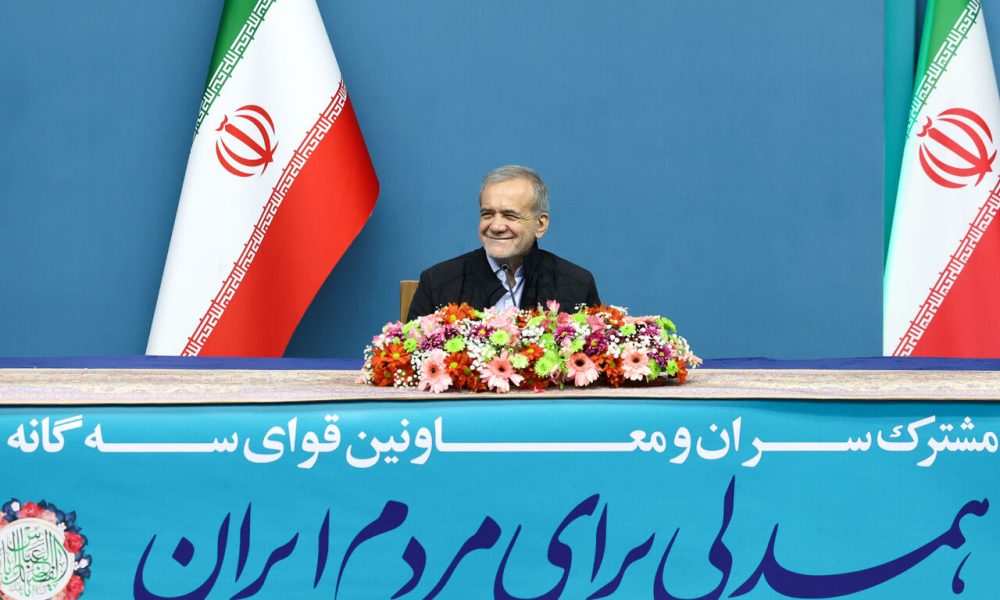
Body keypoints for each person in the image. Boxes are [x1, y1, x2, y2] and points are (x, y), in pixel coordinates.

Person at [406, 165, 600, 321]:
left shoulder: (577, 285)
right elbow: (412, 355)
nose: (496, 226)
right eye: (487, 214)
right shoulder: (437, 283)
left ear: (540, 224)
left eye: (510, 215)